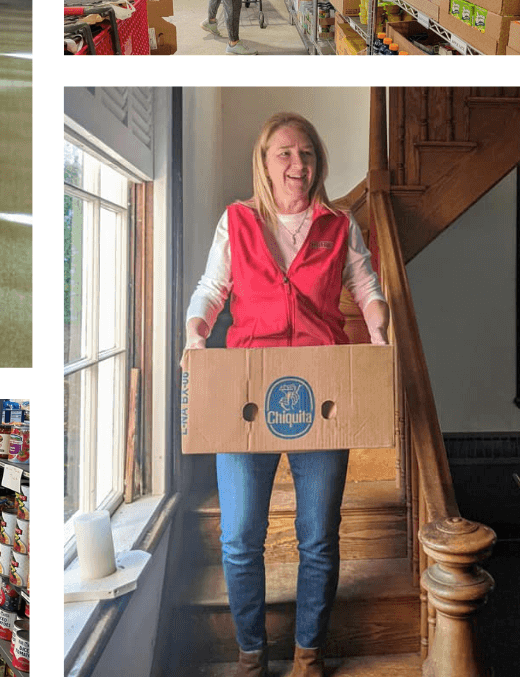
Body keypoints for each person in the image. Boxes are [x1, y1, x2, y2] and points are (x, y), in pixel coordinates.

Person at [183, 112, 390, 677]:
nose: (298, 164)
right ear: (265, 163)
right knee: (240, 536)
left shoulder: (339, 224)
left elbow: (366, 285)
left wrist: (377, 328)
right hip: (246, 389)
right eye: (285, 154)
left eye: (307, 154)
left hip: (322, 390)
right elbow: (212, 287)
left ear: (318, 163)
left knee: (318, 536)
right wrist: (196, 332)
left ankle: (308, 653)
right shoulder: (237, 220)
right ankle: (251, 652)